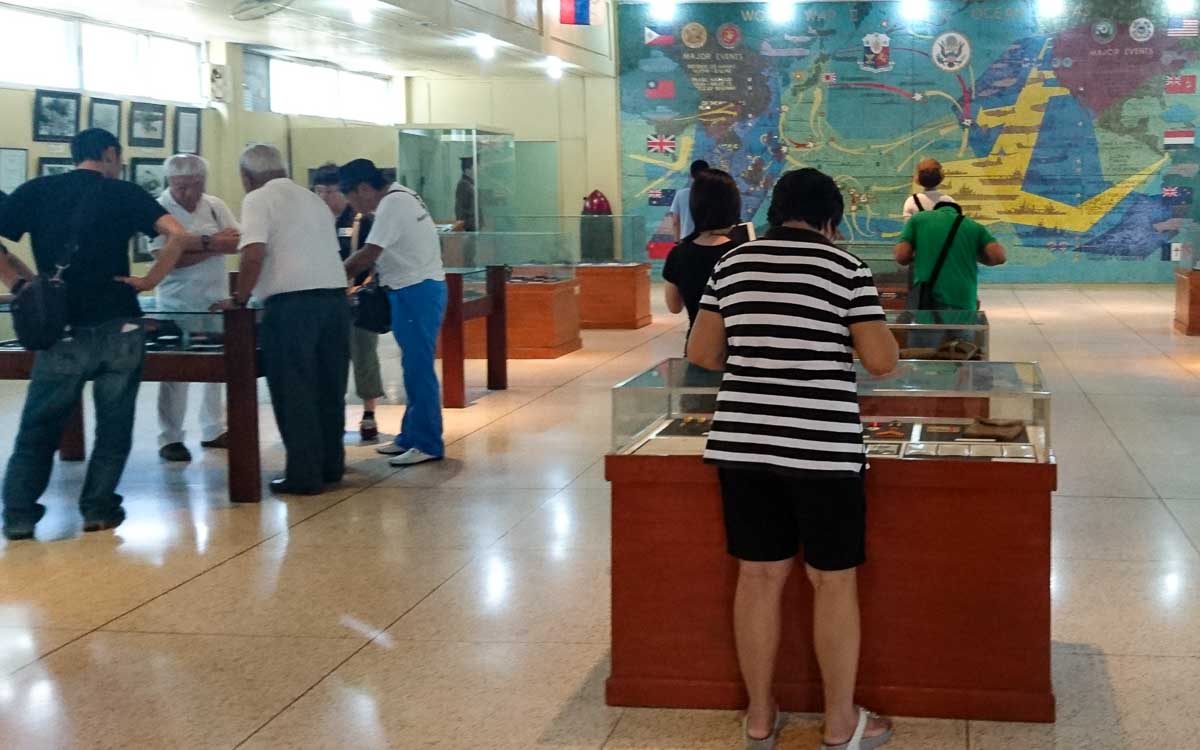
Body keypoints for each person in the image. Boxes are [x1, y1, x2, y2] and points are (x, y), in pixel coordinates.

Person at [685, 168, 899, 750]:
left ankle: (759, 718)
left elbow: (703, 352)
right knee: (832, 582)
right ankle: (838, 724)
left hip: (743, 443)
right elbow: (880, 360)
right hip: (822, 447)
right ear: (830, 220)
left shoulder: (732, 264)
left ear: (778, 213)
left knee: (757, 578)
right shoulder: (845, 268)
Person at [0, 128, 187, 541]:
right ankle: (98, 509)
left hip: (62, 327)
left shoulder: (37, 191)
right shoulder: (124, 193)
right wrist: (149, 280)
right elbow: (177, 234)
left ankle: (18, 515)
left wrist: (22, 285)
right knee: (114, 424)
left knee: (39, 425)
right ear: (108, 153)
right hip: (119, 322)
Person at [219, 145, 350, 495]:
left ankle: (304, 475)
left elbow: (253, 253)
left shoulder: (258, 199)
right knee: (329, 388)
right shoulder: (313, 200)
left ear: (246, 177)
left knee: (295, 390)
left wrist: (239, 298)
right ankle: (331, 466)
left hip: (293, 307)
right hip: (335, 302)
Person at [340, 159, 446, 467]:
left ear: (363, 189)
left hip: (417, 291)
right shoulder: (401, 196)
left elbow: (370, 253)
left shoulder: (393, 204)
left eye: (353, 200)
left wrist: (333, 277)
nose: (356, 208)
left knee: (418, 369)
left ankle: (428, 442)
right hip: (409, 291)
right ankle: (409, 436)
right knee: (410, 367)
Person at [151, 154, 242, 462]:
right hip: (176, 303)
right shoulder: (158, 208)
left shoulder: (215, 205)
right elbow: (166, 259)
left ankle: (213, 428)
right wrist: (212, 242)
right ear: (170, 183)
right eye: (180, 187)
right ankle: (170, 437)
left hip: (214, 299)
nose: (187, 194)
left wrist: (191, 244)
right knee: (176, 371)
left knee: (216, 365)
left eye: (193, 186)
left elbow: (235, 242)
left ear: (203, 182)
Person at [313, 163, 384, 441]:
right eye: (319, 191)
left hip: (357, 299)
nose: (325, 197)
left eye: (330, 191)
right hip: (324, 301)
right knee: (329, 359)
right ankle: (332, 415)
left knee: (364, 355)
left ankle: (369, 413)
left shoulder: (361, 220)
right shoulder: (313, 221)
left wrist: (362, 287)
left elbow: (375, 259)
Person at [662, 168, 745, 339]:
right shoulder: (743, 253)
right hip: (737, 349)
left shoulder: (679, 254)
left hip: (697, 345)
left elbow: (674, 307)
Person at [893, 199, 1007, 311]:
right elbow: (999, 257)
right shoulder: (974, 226)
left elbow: (901, 256)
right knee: (961, 328)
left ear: (935, 210)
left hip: (928, 298)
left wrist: (919, 256)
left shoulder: (918, 219)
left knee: (927, 329)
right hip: (964, 298)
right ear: (958, 213)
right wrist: (975, 256)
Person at [669, 159, 710, 241]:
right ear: (708, 174)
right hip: (708, 241)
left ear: (691, 175)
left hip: (686, 241)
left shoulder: (681, 194)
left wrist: (677, 242)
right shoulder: (714, 194)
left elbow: (675, 222)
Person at [454, 157, 476, 232]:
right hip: (469, 228)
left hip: (472, 226)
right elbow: (460, 207)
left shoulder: (470, 184)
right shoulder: (464, 184)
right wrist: (463, 225)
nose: (477, 170)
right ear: (467, 170)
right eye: (475, 168)